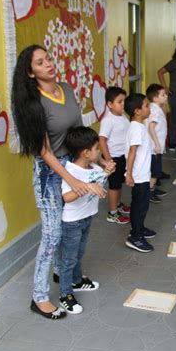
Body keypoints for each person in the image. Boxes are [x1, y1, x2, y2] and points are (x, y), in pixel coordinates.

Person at [11, 45, 113, 319]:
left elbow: (80, 134)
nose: (49, 64)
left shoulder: (66, 89)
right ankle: (39, 297)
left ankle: (65, 274)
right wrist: (70, 178)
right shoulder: (33, 102)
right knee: (53, 234)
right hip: (50, 172)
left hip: (74, 164)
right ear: (31, 73)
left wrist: (99, 160)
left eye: (49, 59)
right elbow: (43, 150)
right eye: (41, 63)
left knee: (80, 223)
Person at [59, 127, 112, 314]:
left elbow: (98, 184)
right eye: (97, 149)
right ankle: (65, 294)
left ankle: (77, 280)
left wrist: (106, 172)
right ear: (86, 152)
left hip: (87, 217)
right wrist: (88, 187)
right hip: (72, 222)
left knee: (79, 252)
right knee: (68, 259)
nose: (100, 152)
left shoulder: (95, 167)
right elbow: (67, 197)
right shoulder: (71, 171)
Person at [124, 93, 156, 253]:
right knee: (139, 206)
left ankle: (140, 228)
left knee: (142, 204)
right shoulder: (136, 129)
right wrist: (129, 174)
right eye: (146, 106)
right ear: (137, 111)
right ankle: (135, 237)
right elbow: (132, 152)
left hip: (141, 174)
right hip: (138, 176)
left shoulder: (138, 126)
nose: (149, 109)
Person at [99, 87, 131, 225]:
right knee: (114, 186)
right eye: (120, 101)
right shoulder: (108, 120)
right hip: (114, 158)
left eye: (124, 101)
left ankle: (117, 204)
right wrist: (108, 160)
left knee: (118, 184)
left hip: (122, 156)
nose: (123, 104)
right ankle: (112, 213)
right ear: (110, 104)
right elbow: (102, 140)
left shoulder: (122, 117)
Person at [146, 83, 168, 204]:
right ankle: (149, 192)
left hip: (155, 147)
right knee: (155, 171)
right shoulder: (155, 110)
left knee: (156, 171)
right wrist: (157, 144)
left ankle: (152, 188)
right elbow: (151, 127)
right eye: (163, 95)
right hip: (154, 148)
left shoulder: (156, 108)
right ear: (155, 98)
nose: (166, 97)